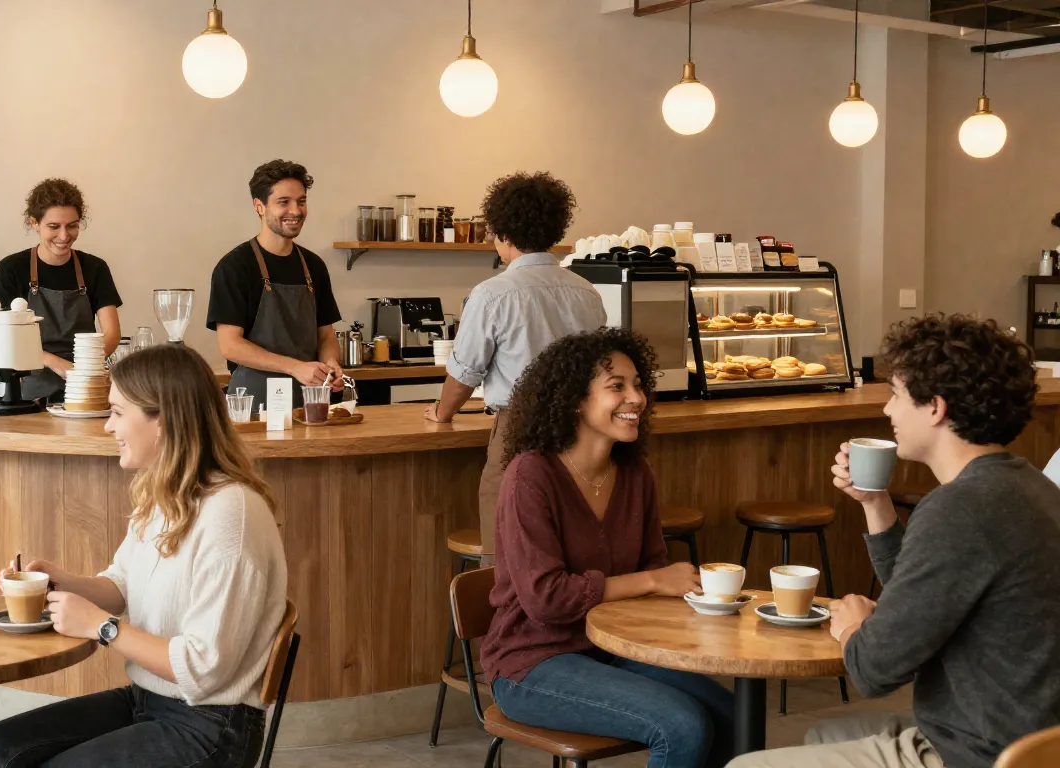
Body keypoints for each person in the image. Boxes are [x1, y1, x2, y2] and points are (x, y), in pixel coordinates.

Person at [729, 314, 1060, 768]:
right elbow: (926, 596)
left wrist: (852, 628)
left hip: (975, 753)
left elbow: (874, 670)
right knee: (823, 733)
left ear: (935, 408)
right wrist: (874, 503)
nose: (887, 411)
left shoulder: (959, 509)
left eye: (896, 395)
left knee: (745, 766)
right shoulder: (1032, 487)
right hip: (1033, 741)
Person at [0, 343, 288, 768]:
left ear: (163, 418)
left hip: (211, 726)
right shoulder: (166, 495)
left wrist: (101, 626)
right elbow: (122, 584)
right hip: (147, 700)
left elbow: (204, 669)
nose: (107, 426)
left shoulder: (231, 514)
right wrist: (60, 582)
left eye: (116, 412)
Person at [483, 328, 734, 768]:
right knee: (682, 726)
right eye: (617, 386)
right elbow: (545, 599)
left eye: (638, 384)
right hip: (533, 662)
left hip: (615, 650)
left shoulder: (636, 474)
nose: (636, 398)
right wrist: (653, 580)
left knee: (734, 715)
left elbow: (654, 571)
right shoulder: (531, 476)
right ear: (575, 400)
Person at [425, 171, 605, 557]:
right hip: (582, 432)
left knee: (509, 552)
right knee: (571, 546)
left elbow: (465, 373)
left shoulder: (492, 294)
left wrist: (442, 413)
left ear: (504, 234)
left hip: (519, 431)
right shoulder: (586, 292)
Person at [206, 159, 343, 410]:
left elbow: (326, 335)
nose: (296, 211)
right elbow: (230, 345)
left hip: (311, 403)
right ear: (259, 206)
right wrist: (295, 368)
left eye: (301, 201)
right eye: (284, 202)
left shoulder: (314, 266)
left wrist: (330, 363)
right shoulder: (234, 267)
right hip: (254, 405)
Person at [0, 178, 122, 402]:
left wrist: (82, 368)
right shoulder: (12, 268)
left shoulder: (95, 268)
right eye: (54, 226)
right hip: (27, 390)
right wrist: (53, 362)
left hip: (83, 387)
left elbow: (112, 334)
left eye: (72, 225)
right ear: (34, 223)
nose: (64, 236)